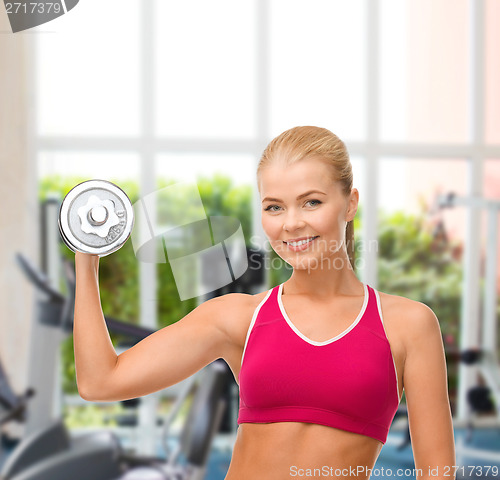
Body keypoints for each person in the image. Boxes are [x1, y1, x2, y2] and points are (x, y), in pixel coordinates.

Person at [74, 126, 456, 480]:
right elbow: (100, 381)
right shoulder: (239, 318)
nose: (291, 224)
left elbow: (437, 473)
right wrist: (86, 258)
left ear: (350, 204)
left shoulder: (408, 324)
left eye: (311, 202)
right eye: (274, 207)